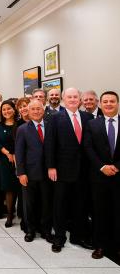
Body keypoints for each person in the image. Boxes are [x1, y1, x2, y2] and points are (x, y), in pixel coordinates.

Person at [45, 87, 93, 253]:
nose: (72, 99)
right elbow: (50, 143)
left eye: (75, 97)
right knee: (60, 205)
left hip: (83, 171)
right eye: (69, 97)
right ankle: (59, 238)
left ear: (80, 99)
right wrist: (51, 166)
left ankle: (77, 236)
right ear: (64, 99)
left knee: (80, 205)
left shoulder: (88, 117)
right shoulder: (55, 118)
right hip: (62, 170)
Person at [84, 91, 120, 259]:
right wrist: (102, 166)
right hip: (99, 177)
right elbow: (88, 148)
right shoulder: (93, 124)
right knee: (100, 212)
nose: (108, 104)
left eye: (112, 101)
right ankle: (100, 246)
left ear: (117, 103)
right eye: (105, 101)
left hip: (119, 175)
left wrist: (117, 167)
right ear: (101, 104)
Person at [15, 100, 53, 243]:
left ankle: (46, 231)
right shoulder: (23, 129)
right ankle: (30, 230)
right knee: (29, 204)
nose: (36, 111)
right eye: (33, 109)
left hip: (47, 173)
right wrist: (21, 173)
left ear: (43, 111)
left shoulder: (50, 126)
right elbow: (19, 153)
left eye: (39, 109)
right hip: (29, 173)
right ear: (28, 112)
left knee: (46, 203)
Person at [0, 100, 20, 228]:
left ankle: (22, 214)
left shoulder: (19, 123)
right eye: (4, 109)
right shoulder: (0, 125)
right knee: (9, 188)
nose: (6, 111)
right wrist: (8, 153)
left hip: (20, 159)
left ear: (14, 109)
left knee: (20, 187)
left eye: (8, 109)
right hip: (5, 160)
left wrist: (16, 154)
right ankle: (10, 215)